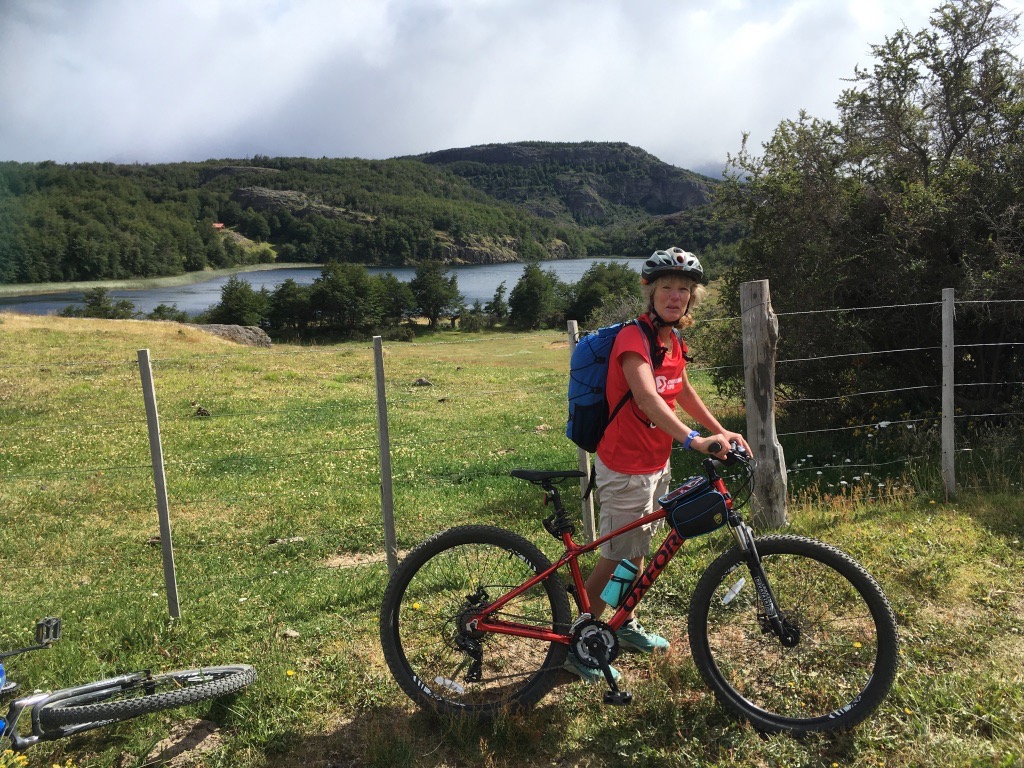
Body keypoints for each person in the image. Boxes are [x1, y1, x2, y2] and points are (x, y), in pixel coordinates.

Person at [565, 247, 752, 683]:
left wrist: (720, 430)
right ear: (649, 291)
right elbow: (647, 394)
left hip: (656, 461)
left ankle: (622, 624)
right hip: (624, 464)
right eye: (666, 287)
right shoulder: (634, 339)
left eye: (683, 290)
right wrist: (692, 439)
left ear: (691, 298)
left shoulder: (673, 340)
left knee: (637, 550)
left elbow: (680, 388)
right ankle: (581, 641)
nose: (675, 296)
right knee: (614, 555)